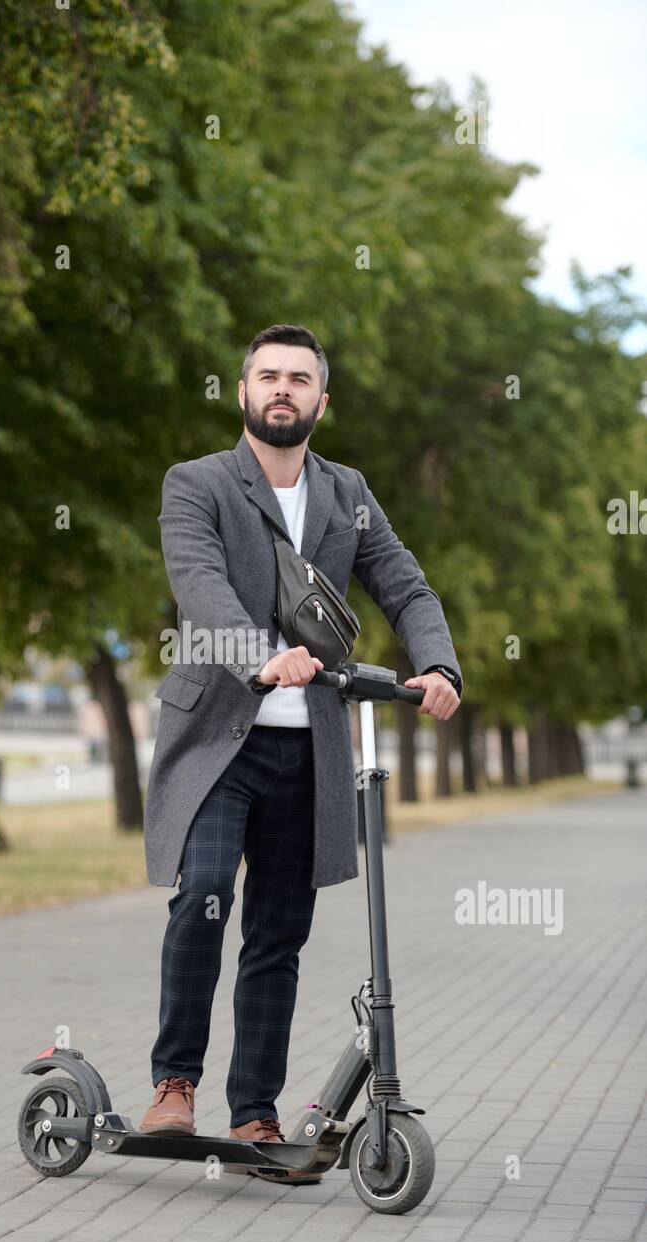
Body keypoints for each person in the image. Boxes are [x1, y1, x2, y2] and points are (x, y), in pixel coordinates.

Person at [139, 324, 462, 1181]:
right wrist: (258, 655)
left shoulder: (346, 492)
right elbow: (199, 583)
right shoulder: (197, 484)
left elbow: (404, 580)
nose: (282, 389)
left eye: (299, 379)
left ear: (323, 400)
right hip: (218, 740)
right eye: (268, 376)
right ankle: (174, 1083)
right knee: (203, 894)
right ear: (243, 391)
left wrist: (436, 662)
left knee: (278, 935)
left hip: (307, 751)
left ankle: (254, 1114)